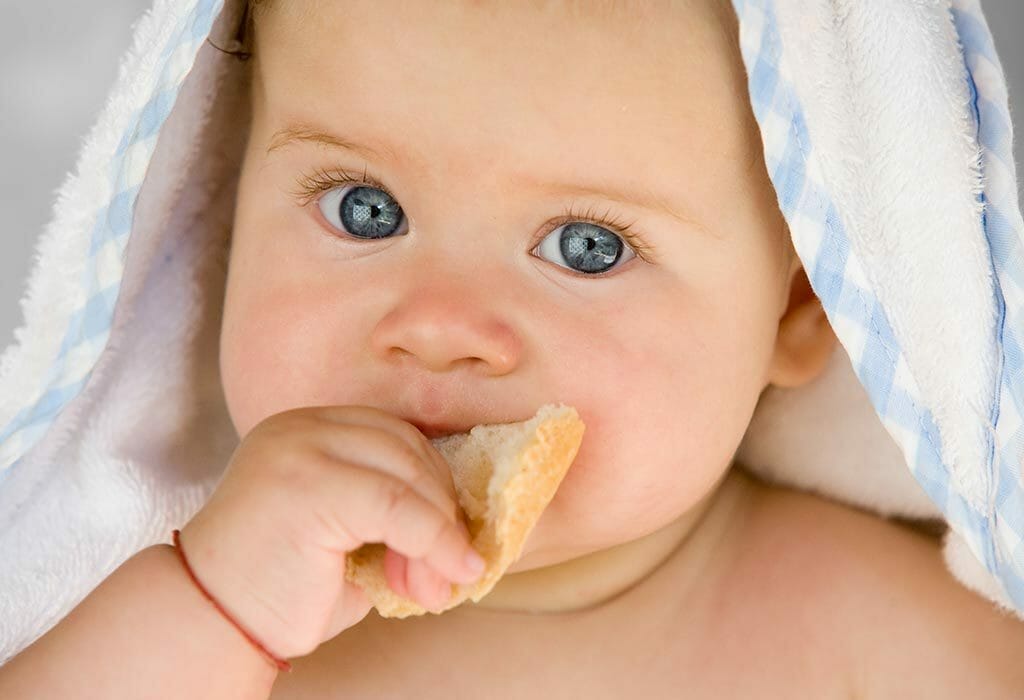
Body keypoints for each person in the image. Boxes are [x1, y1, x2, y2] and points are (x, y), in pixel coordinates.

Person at [1, 0, 1023, 697]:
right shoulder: (196, 631)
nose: (439, 325)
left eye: (588, 247)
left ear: (801, 308)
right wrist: (212, 606)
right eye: (366, 210)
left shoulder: (878, 634)